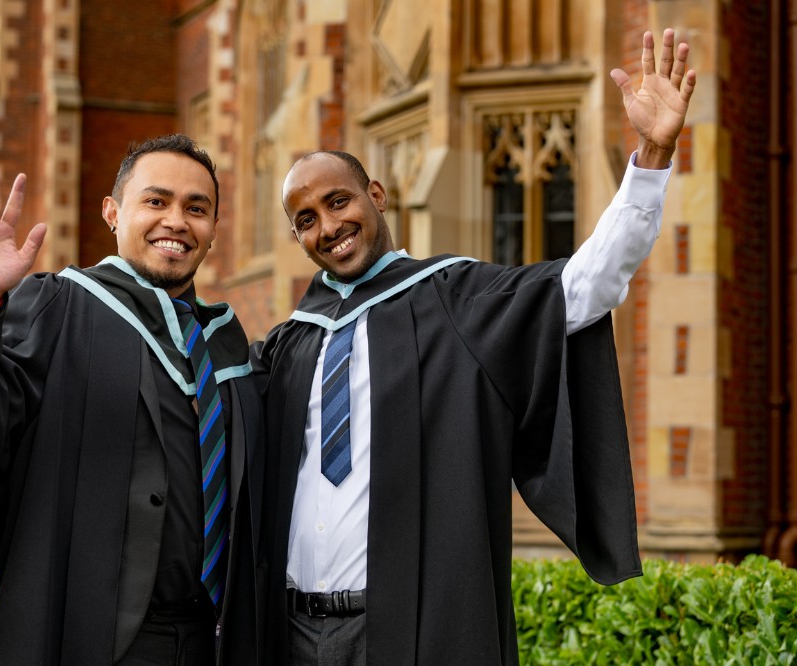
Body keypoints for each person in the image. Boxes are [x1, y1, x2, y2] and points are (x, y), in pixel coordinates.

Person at [251, 29, 696, 665]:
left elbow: (584, 287)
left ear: (376, 196)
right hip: (289, 631)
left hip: (405, 629)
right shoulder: (293, 341)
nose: (329, 227)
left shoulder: (456, 300)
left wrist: (651, 157)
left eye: (338, 201)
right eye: (306, 220)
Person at [0, 135, 264, 665]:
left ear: (213, 229)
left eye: (196, 208)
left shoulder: (225, 345)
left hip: (211, 642)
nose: (176, 220)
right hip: (89, 638)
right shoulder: (57, 310)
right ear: (112, 211)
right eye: (156, 201)